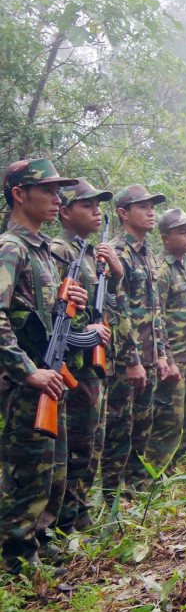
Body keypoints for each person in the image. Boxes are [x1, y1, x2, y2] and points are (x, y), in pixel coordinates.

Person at [0, 159, 85, 571]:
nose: (57, 198)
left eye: (59, 191)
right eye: (48, 190)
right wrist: (25, 370)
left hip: (50, 376)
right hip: (26, 383)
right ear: (19, 194)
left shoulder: (43, 250)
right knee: (27, 473)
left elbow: (39, 316)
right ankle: (17, 560)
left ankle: (41, 540)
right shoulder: (10, 248)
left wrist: (70, 308)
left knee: (53, 469)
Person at [46, 180, 127, 537]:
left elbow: (113, 309)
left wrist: (117, 277)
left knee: (91, 445)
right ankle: (60, 524)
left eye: (99, 205)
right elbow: (55, 312)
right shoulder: (58, 251)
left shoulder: (92, 253)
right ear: (65, 213)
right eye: (87, 205)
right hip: (70, 367)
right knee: (74, 448)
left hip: (91, 366)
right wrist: (88, 333)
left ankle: (77, 517)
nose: (96, 211)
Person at [102, 184, 168, 501]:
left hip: (150, 356)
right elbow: (116, 309)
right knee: (119, 428)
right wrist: (132, 360)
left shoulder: (148, 252)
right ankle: (111, 495)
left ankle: (136, 489)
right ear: (123, 213)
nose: (151, 211)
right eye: (143, 206)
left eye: (152, 206)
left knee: (144, 424)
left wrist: (161, 355)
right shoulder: (116, 252)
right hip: (125, 360)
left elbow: (155, 312)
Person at [150, 208, 186, 466]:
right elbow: (157, 318)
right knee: (169, 421)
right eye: (182, 232)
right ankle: (158, 475)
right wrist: (167, 358)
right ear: (165, 238)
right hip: (175, 359)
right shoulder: (161, 269)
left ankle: (182, 471)